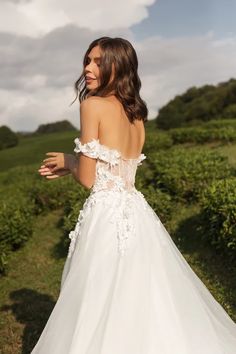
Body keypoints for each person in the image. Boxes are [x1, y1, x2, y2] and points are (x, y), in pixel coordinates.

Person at [33, 37, 236, 354]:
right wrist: (75, 164)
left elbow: (89, 179)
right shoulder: (137, 114)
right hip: (136, 211)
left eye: (98, 62)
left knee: (100, 297)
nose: (88, 67)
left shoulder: (92, 106)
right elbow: (116, 168)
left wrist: (68, 161)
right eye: (87, 60)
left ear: (118, 65)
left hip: (106, 214)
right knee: (144, 295)